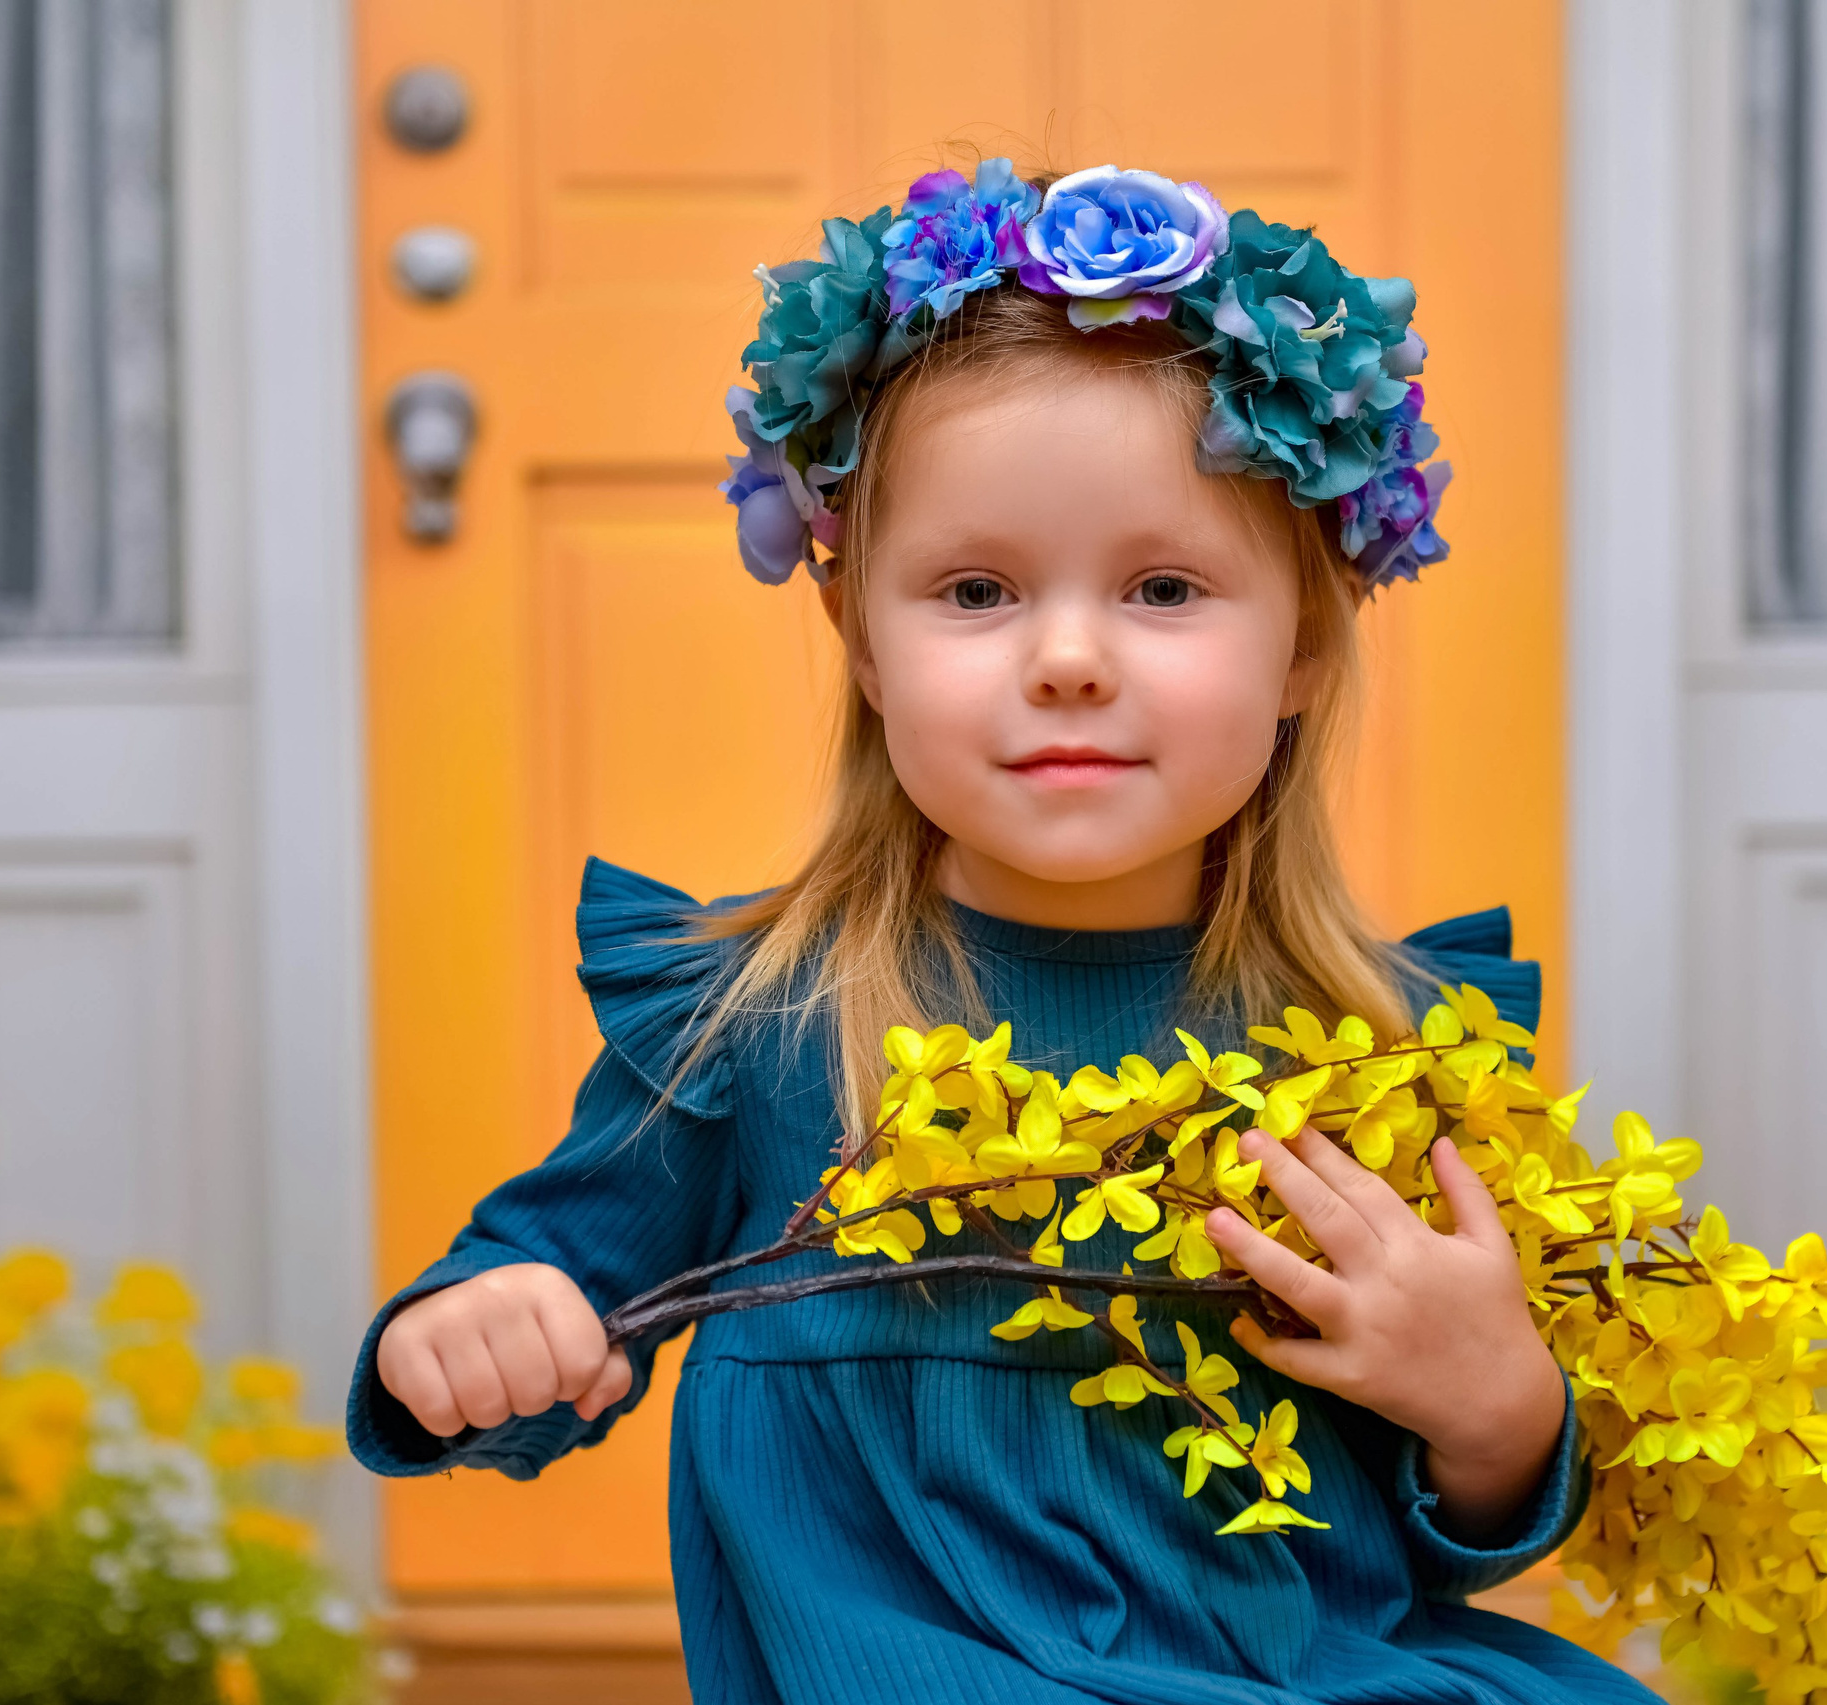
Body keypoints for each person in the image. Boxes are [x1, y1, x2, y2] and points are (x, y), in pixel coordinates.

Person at [349, 159, 1659, 1704]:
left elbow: (1453, 1535)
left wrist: (1496, 1408)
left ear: (1304, 641)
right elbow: (544, 1310)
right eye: (975, 590)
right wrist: (476, 1332)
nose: (1067, 659)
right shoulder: (757, 1024)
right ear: (860, 640)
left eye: (1164, 588)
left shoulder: (1371, 1053)